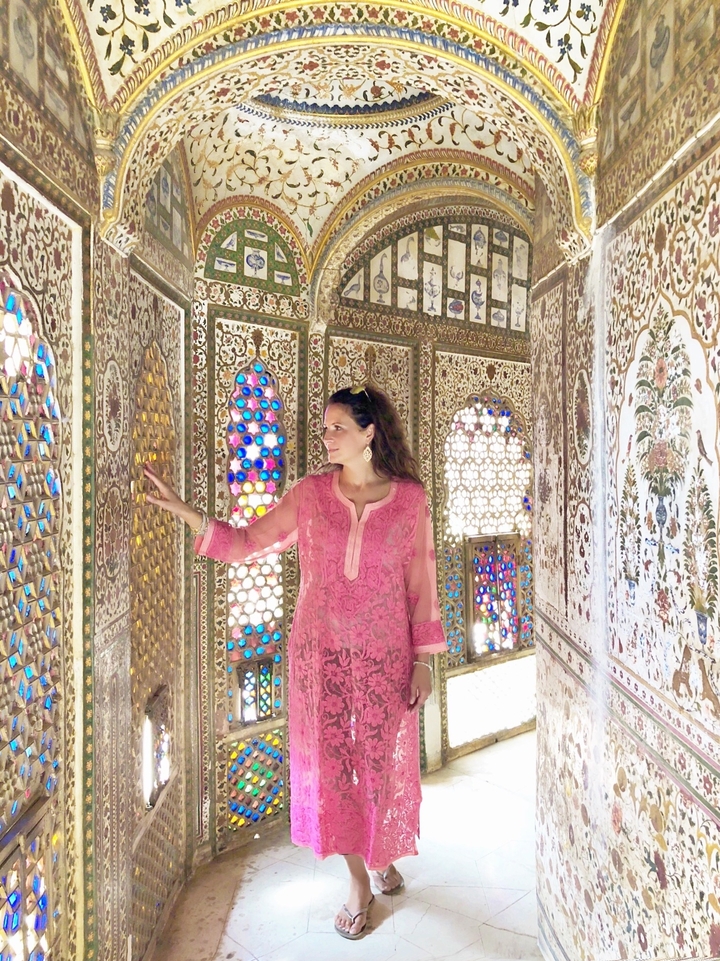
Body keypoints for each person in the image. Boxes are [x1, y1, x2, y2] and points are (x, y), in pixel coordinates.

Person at [144, 384, 446, 940]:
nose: (327, 436)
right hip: (319, 658)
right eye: (325, 427)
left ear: (369, 432)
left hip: (383, 658)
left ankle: (379, 853)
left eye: (338, 428)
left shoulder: (408, 500)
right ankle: (359, 881)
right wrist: (189, 514)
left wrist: (424, 660)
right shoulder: (310, 495)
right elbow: (247, 543)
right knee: (332, 770)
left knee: (377, 765)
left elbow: (421, 582)